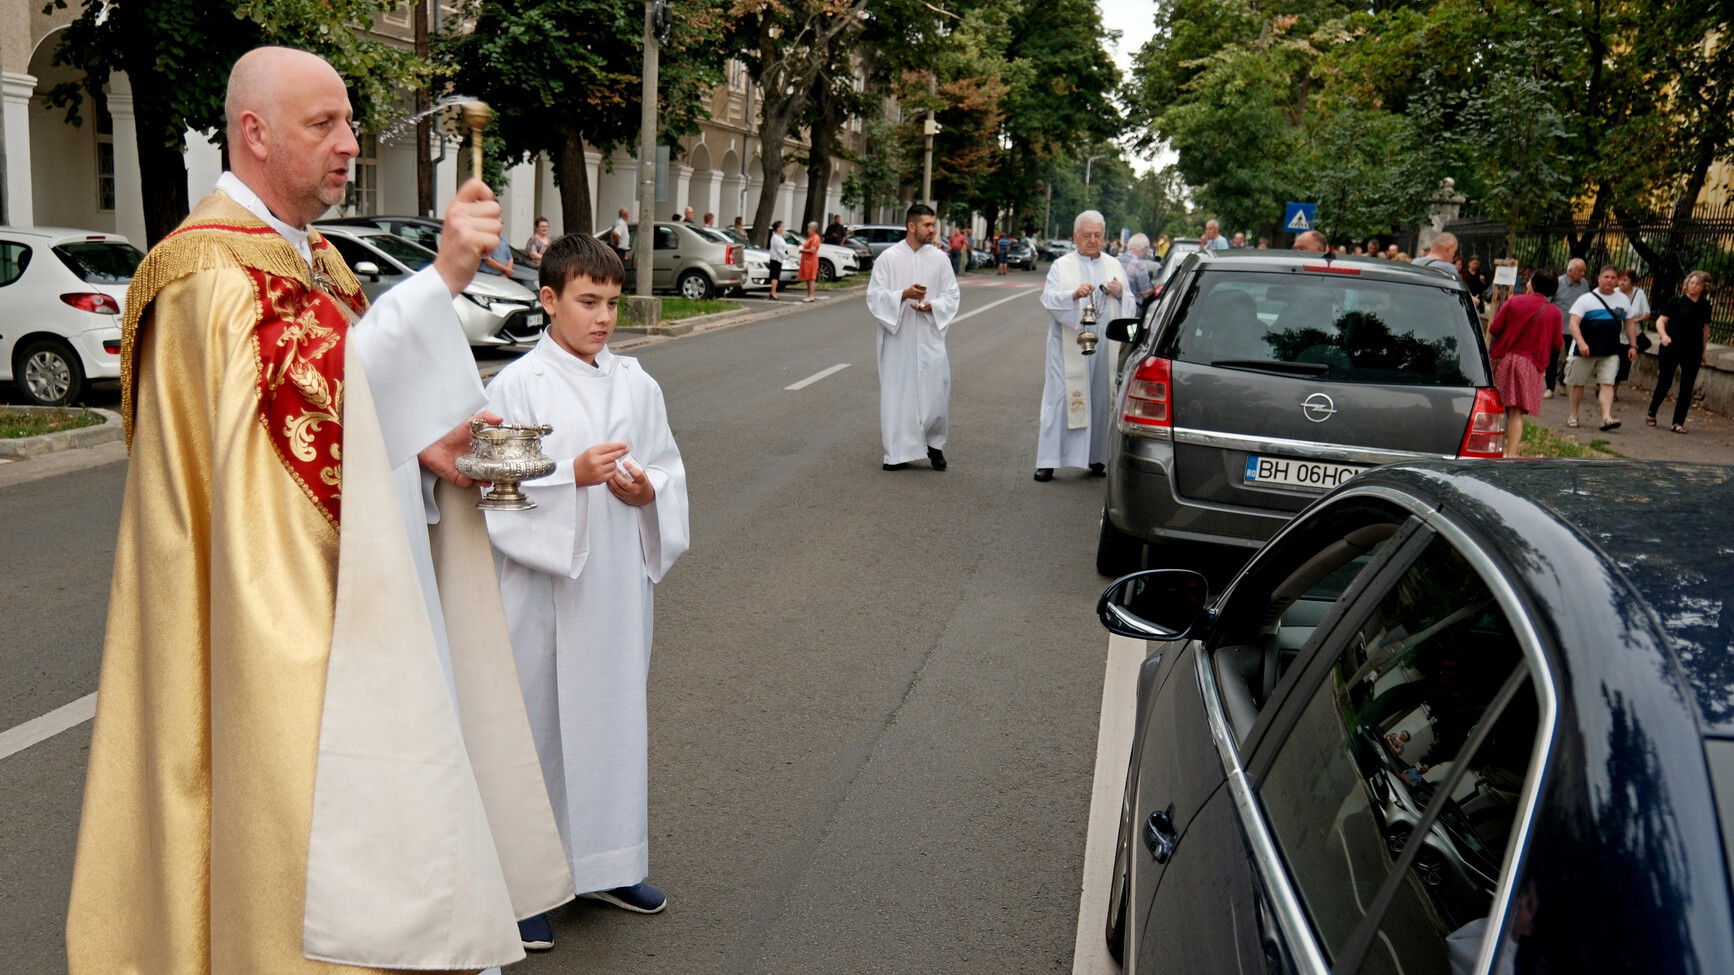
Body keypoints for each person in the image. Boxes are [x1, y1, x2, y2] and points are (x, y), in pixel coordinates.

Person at [66, 46, 571, 974]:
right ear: (253, 133)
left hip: (350, 597)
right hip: (275, 625)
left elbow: (339, 411)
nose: (348, 145)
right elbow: (290, 433)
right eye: (324, 125)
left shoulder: (315, 260)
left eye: (348, 123)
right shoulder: (206, 276)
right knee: (300, 838)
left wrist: (423, 442)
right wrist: (440, 278)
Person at [483, 232, 691, 948]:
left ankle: (609, 860)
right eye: (587, 301)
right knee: (538, 726)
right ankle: (526, 884)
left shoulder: (638, 383)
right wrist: (567, 475)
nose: (603, 316)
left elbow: (667, 468)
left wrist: (646, 492)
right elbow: (490, 488)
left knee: (611, 719)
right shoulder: (513, 385)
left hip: (613, 586)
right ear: (549, 299)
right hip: (541, 588)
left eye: (610, 302)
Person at [1033, 210, 1135, 481]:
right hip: (1068, 345)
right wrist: (1073, 295)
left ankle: (1097, 458)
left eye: (1097, 235)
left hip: (1103, 347)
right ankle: (1048, 460)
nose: (1092, 240)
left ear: (1104, 236)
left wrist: (1120, 292)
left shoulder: (1114, 265)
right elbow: (1049, 299)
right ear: (1076, 236)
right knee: (1060, 399)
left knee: (1101, 397)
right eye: (1086, 235)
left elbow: (1131, 302)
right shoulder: (1061, 265)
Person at [865, 203, 960, 471]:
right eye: (928, 225)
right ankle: (898, 452)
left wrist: (933, 306)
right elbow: (874, 296)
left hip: (930, 335)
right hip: (899, 338)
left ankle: (934, 445)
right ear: (911, 226)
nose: (933, 230)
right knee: (899, 394)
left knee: (935, 392)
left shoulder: (940, 259)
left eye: (933, 225)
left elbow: (952, 294)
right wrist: (903, 295)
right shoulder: (889, 258)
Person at [1487, 268, 1564, 456]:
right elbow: (1557, 343)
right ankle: (1510, 453)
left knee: (1494, 406)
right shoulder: (1554, 312)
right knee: (1516, 412)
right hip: (1531, 365)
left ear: (1534, 284)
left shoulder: (1514, 301)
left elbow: (1495, 328)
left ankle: (1488, 448)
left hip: (1504, 359)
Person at [1564, 265, 1636, 432]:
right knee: (1578, 384)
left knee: (1607, 383)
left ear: (1617, 280)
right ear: (1599, 278)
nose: (1610, 280)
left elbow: (1630, 323)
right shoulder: (1586, 299)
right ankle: (1573, 415)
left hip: (1610, 350)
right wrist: (1581, 343)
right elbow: (1574, 323)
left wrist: (1633, 345)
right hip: (1586, 349)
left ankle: (1606, 417)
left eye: (1613, 278)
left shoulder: (1623, 300)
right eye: (1606, 277)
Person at [1648, 270, 1715, 433]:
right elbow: (1661, 321)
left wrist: (1703, 353)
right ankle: (1652, 411)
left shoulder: (1705, 306)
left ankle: (1678, 422)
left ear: (1702, 288)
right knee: (1665, 381)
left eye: (1697, 284)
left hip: (1693, 350)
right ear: (1686, 285)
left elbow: (1705, 331)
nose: (1694, 286)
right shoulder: (1676, 301)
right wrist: (1663, 336)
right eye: (1691, 283)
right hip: (1671, 347)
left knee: (1687, 386)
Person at [1546, 258, 1590, 397]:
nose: (1583, 274)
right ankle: (1550, 388)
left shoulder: (1584, 284)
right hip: (1557, 327)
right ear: (1570, 271)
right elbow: (1547, 303)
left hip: (1575, 328)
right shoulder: (1557, 283)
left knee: (1573, 358)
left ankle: (1563, 380)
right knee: (1552, 358)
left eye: (1584, 270)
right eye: (1580, 271)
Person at [1613, 269, 1651, 390]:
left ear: (1632, 282)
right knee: (1612, 362)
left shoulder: (1639, 293)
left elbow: (1647, 313)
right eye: (1620, 279)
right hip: (1615, 335)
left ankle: (1614, 390)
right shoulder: (1613, 293)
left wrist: (1634, 320)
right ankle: (1605, 386)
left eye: (1625, 280)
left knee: (1623, 364)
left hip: (1630, 336)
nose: (1621, 283)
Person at [1119, 232, 1155, 313]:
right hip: (1132, 308)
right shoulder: (1139, 265)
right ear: (1144, 248)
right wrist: (1155, 290)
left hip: (1115, 306)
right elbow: (1145, 294)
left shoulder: (1116, 260)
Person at [798, 221, 822, 302]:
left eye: (809, 228)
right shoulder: (810, 237)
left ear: (813, 229)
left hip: (811, 261)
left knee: (811, 278)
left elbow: (813, 250)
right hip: (806, 260)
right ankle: (809, 295)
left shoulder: (816, 238)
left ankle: (811, 295)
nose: (807, 230)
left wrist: (803, 250)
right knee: (807, 278)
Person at [766, 219, 790, 300]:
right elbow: (779, 250)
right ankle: (773, 293)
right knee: (775, 276)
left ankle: (773, 292)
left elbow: (784, 247)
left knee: (776, 276)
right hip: (775, 259)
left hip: (779, 259)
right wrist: (786, 257)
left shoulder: (780, 237)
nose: (783, 228)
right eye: (782, 227)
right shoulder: (775, 238)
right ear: (778, 228)